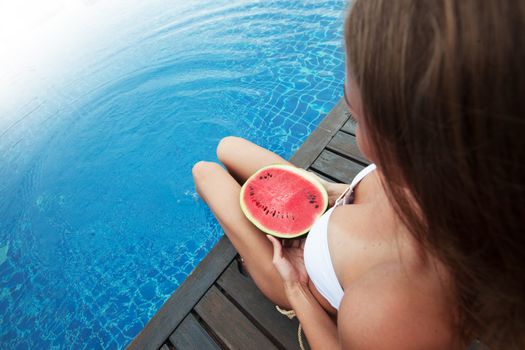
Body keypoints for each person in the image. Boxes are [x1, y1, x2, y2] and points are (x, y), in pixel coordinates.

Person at [192, 0, 525, 348]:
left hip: (301, 277)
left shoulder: (391, 312)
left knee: (207, 174)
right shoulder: (441, 174)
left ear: (408, 139)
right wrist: (331, 192)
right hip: (330, 212)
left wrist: (293, 285)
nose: (358, 136)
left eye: (356, 117)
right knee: (228, 146)